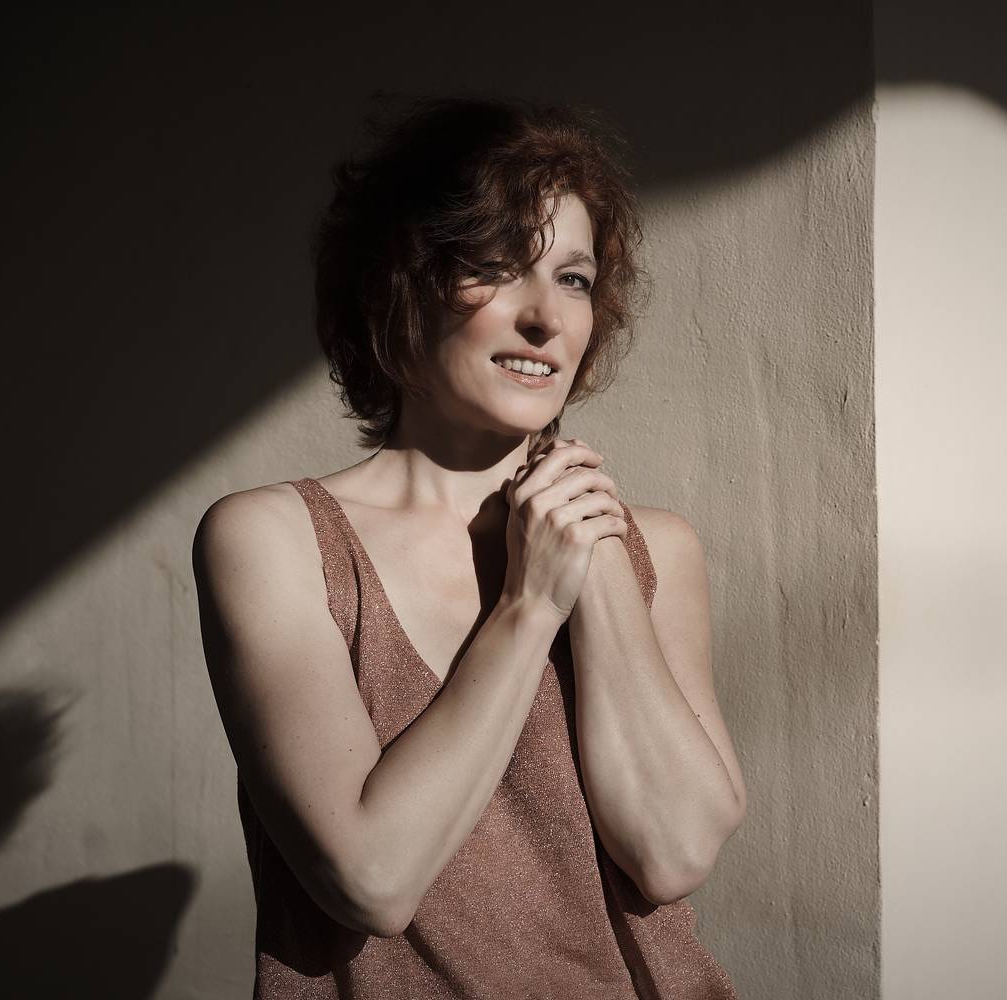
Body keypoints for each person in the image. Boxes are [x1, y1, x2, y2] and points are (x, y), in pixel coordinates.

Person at [192, 96, 746, 998]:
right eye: (495, 268)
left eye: (574, 279)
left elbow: (674, 853)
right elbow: (371, 878)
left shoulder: (655, 549)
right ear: (399, 285)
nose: (547, 318)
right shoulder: (277, 542)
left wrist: (594, 558)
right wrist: (530, 605)